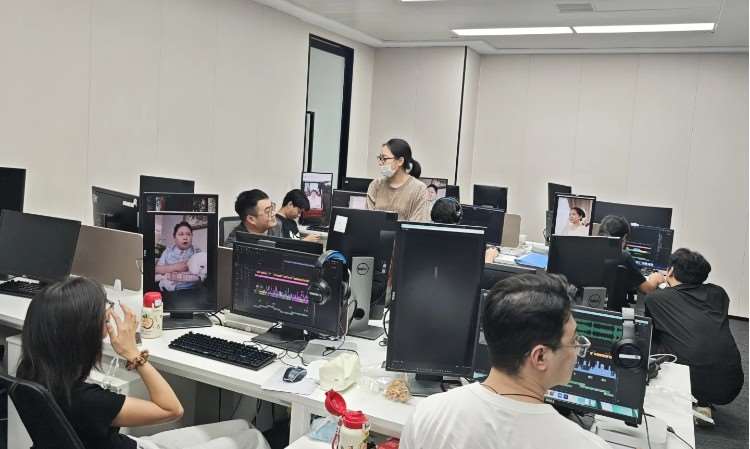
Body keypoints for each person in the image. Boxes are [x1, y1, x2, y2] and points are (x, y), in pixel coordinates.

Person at [16, 277, 270, 449]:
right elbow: (172, 409)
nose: (109, 321)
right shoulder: (87, 400)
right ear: (84, 333)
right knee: (253, 438)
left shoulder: (30, 373)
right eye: (105, 317)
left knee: (243, 425)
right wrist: (132, 353)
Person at [400, 273, 609, 449]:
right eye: (573, 340)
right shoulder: (586, 445)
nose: (578, 348)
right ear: (540, 356)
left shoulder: (428, 414)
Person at [644, 248, 743, 422]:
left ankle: (669, 395)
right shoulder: (719, 293)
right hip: (729, 385)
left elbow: (651, 332)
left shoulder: (656, 299)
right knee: (699, 336)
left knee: (648, 335)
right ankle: (702, 402)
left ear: (670, 271)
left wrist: (655, 283)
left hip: (688, 383)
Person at [597, 215, 663, 294]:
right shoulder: (623, 256)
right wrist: (655, 279)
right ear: (624, 237)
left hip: (592, 299)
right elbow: (647, 289)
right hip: (614, 302)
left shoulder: (588, 250)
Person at [366, 138, 429, 222]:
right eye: (380, 158)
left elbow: (417, 225)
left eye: (384, 159)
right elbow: (368, 219)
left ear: (400, 161)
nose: (380, 163)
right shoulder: (376, 185)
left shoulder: (419, 189)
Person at [430, 197, 498, 263]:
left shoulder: (428, 240)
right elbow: (472, 269)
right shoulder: (460, 247)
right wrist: (489, 256)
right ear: (459, 216)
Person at [155, 221, 202, 291]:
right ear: (174, 237)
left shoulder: (197, 252)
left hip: (191, 290)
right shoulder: (168, 251)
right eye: (181, 234)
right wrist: (174, 267)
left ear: (192, 236)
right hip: (168, 289)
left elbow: (202, 274)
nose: (185, 237)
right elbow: (157, 269)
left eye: (188, 234)